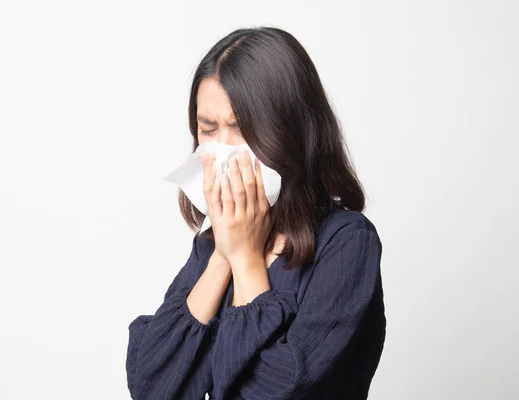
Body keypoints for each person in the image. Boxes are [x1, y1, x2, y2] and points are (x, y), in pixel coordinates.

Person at [126, 26, 386, 400]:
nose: (223, 150)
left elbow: (277, 391)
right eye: (208, 129)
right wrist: (223, 255)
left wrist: (246, 258)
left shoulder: (347, 243)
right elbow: (153, 388)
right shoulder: (212, 245)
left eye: (242, 128)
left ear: (290, 130)